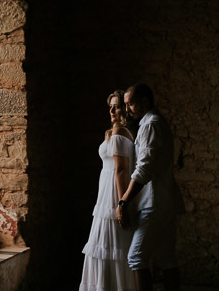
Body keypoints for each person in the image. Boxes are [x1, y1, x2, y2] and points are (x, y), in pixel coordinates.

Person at [116, 83, 185, 291]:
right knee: (167, 258)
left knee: (136, 258)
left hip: (154, 203)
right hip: (165, 200)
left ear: (145, 101)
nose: (127, 109)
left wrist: (123, 201)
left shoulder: (151, 124)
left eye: (131, 104)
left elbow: (144, 169)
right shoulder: (153, 122)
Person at [79, 90, 137, 291]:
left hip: (113, 194)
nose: (112, 110)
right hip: (105, 194)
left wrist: (122, 203)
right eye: (110, 106)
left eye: (117, 106)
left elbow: (121, 170)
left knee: (110, 246)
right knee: (106, 247)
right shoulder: (117, 132)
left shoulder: (120, 133)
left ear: (126, 110)